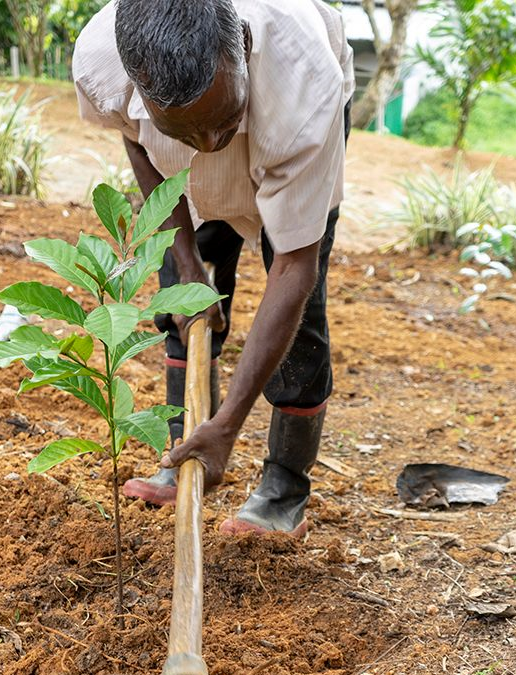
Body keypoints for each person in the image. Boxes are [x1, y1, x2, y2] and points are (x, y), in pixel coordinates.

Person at [73, 0, 353, 537]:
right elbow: (138, 146)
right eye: (184, 131)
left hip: (286, 112)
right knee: (181, 297)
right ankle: (185, 449)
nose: (208, 147)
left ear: (243, 46)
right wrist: (189, 265)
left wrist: (229, 427)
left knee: (301, 320)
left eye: (222, 123)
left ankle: (283, 485)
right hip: (208, 116)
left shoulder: (304, 82)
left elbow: (295, 266)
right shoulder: (102, 60)